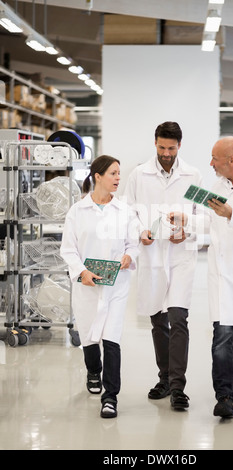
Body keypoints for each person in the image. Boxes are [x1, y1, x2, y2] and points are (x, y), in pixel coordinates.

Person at [168, 136, 233, 418]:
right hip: (221, 276)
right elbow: (207, 220)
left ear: (231, 161)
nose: (211, 163)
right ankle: (224, 395)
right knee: (222, 337)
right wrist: (185, 224)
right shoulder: (215, 187)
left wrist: (231, 213)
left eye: (215, 158)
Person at [124, 121, 203, 411]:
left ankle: (177, 387)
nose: (166, 153)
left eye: (171, 148)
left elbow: (203, 213)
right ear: (154, 144)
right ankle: (164, 378)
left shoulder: (193, 175)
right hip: (153, 256)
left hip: (181, 257)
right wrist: (139, 232)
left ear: (179, 146)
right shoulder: (138, 175)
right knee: (158, 321)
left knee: (179, 318)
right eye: (161, 147)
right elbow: (129, 212)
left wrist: (188, 229)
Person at [60, 155, 139, 419]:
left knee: (112, 338)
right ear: (98, 177)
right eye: (113, 174)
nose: (118, 179)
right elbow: (68, 249)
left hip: (115, 285)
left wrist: (130, 256)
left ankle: (110, 397)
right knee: (90, 337)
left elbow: (133, 243)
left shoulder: (125, 210)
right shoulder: (77, 211)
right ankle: (93, 370)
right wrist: (81, 271)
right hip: (87, 285)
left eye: (119, 173)